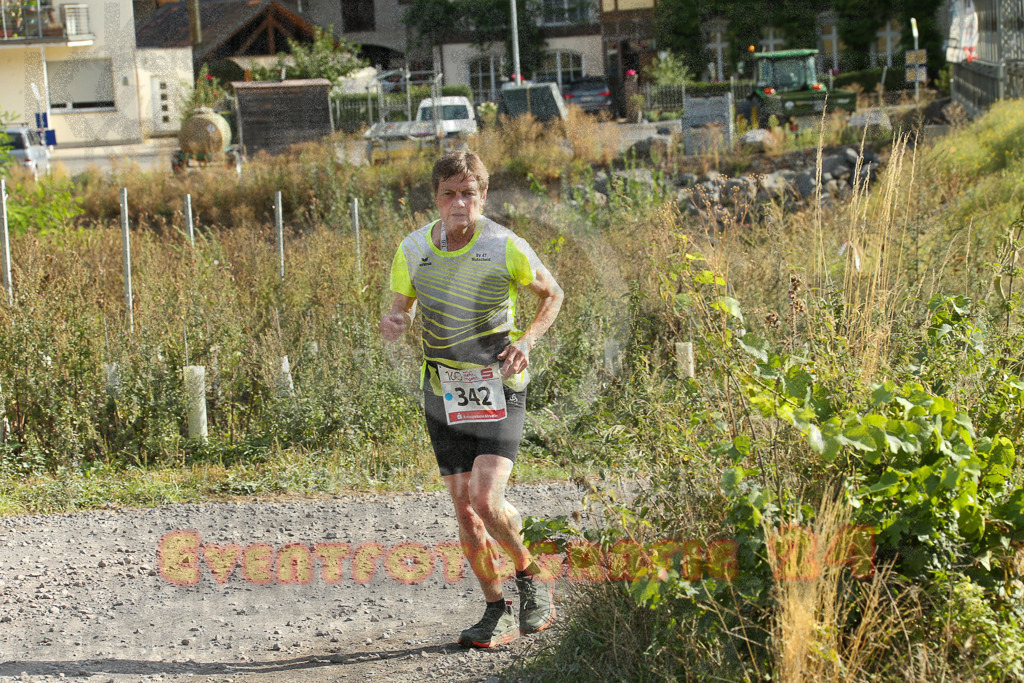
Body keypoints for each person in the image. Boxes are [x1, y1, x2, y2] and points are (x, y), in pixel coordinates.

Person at [380, 149, 564, 648]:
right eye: (449, 194)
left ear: (482, 197)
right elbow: (402, 309)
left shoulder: (505, 245)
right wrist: (396, 322)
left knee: (485, 500)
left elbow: (553, 294)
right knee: (465, 510)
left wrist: (526, 341)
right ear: (435, 199)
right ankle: (494, 608)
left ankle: (531, 576)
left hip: (498, 384)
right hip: (442, 391)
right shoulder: (414, 249)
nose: (459, 202)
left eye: (468, 193)